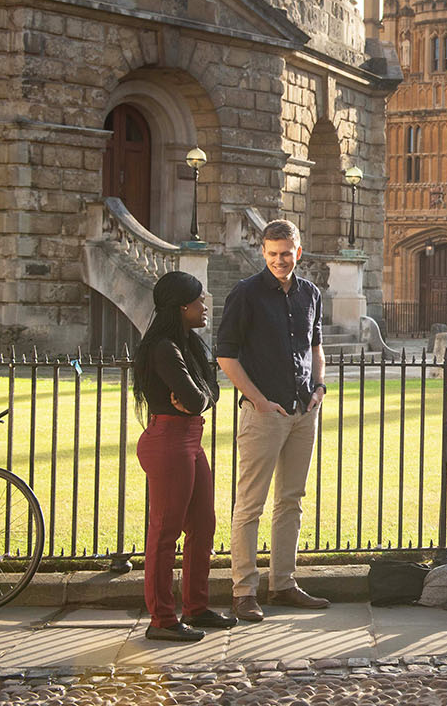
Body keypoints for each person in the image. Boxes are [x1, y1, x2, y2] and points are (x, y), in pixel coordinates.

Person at [216, 219, 330, 622]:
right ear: (263, 252)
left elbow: (316, 347)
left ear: (298, 252)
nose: (280, 260)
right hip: (263, 414)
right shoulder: (245, 293)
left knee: (291, 501)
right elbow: (226, 355)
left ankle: (283, 583)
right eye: (272, 254)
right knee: (250, 504)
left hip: (304, 411)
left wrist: (319, 387)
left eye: (286, 254)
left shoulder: (310, 293)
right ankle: (244, 591)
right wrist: (259, 401)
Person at [133, 271, 234, 642]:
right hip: (168, 441)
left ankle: (196, 606)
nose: (205, 307)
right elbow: (194, 398)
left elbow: (208, 394)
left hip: (190, 439)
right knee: (165, 532)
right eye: (199, 301)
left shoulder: (188, 344)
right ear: (181, 307)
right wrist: (199, 398)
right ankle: (161, 619)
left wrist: (199, 397)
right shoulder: (164, 348)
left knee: (203, 525)